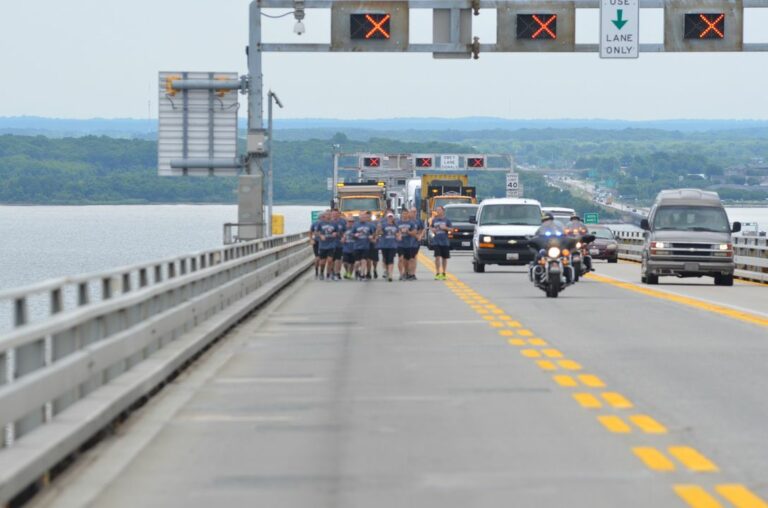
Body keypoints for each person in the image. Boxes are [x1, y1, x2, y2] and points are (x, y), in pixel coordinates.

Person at [430, 206, 452, 280]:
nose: (438, 211)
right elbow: (431, 227)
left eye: (439, 210)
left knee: (444, 258)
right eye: (437, 210)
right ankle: (437, 273)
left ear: (443, 211)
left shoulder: (447, 220)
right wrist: (433, 230)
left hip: (445, 241)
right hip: (436, 241)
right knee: (437, 257)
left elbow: (452, 229)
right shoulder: (434, 220)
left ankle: (444, 273)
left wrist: (445, 228)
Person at [352, 212, 376, 281]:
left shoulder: (370, 225)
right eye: (362, 216)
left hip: (366, 246)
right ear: (359, 217)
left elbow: (373, 234)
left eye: (364, 217)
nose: (363, 218)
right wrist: (355, 235)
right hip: (357, 246)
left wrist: (372, 237)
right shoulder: (355, 225)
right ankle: (356, 270)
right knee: (357, 262)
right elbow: (352, 234)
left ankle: (362, 275)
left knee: (364, 261)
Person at [316, 212, 340, 281]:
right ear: (324, 216)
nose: (328, 216)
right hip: (323, 245)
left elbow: (338, 232)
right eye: (327, 215)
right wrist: (321, 236)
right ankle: (321, 272)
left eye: (330, 215)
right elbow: (316, 232)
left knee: (330, 260)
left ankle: (328, 274)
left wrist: (336, 233)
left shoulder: (334, 224)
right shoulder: (320, 223)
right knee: (322, 262)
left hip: (331, 244)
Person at [378, 213, 401, 282]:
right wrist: (379, 229)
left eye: (391, 217)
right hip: (384, 245)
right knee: (385, 259)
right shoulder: (383, 225)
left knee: (391, 259)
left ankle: (390, 275)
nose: (390, 218)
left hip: (392, 245)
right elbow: (380, 233)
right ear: (387, 218)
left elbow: (398, 235)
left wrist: (398, 236)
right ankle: (386, 271)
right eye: (389, 217)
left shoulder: (395, 226)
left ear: (393, 218)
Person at [408, 207, 425, 280]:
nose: (414, 213)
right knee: (407, 259)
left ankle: (413, 274)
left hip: (415, 243)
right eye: (412, 211)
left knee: (414, 258)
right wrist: (415, 235)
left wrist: (420, 236)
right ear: (409, 212)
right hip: (407, 242)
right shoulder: (407, 221)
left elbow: (422, 229)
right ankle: (407, 273)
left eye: (415, 212)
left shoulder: (419, 221)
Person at [397, 210, 413, 280]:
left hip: (408, 244)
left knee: (407, 261)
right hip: (400, 244)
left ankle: (406, 272)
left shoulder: (411, 223)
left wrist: (408, 231)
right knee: (400, 259)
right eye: (403, 214)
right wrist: (399, 233)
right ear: (401, 214)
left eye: (406, 214)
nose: (404, 215)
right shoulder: (397, 223)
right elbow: (394, 232)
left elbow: (414, 233)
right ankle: (401, 274)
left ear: (408, 214)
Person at [331, 209, 346, 280]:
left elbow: (346, 231)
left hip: (339, 243)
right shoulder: (328, 222)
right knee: (331, 259)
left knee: (338, 259)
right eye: (333, 214)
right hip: (329, 244)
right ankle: (332, 272)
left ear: (338, 214)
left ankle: (337, 272)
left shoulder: (342, 222)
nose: (334, 215)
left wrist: (344, 238)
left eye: (336, 214)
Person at [309, 214, 322, 278]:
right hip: (317, 242)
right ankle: (317, 271)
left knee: (320, 258)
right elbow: (310, 232)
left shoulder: (327, 223)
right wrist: (311, 240)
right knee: (318, 257)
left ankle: (318, 271)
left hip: (322, 242)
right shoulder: (315, 224)